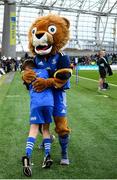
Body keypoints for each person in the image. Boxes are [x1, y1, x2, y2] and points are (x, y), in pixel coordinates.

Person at [21, 60, 54, 177]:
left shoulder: (27, 75)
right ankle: (47, 155)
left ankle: (27, 156)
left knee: (34, 129)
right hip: (49, 103)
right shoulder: (46, 71)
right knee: (45, 130)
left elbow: (25, 84)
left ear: (27, 68)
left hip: (36, 103)